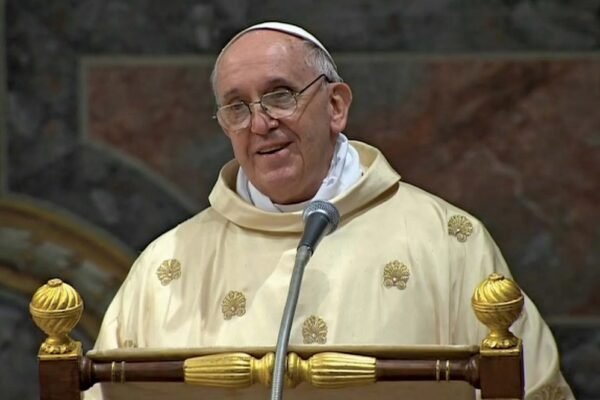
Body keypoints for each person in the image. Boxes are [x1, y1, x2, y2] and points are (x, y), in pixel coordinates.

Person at [84, 22, 574, 399]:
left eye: (280, 96)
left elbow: (527, 385)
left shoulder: (447, 241)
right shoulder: (165, 269)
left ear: (336, 105)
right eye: (237, 108)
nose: (260, 124)